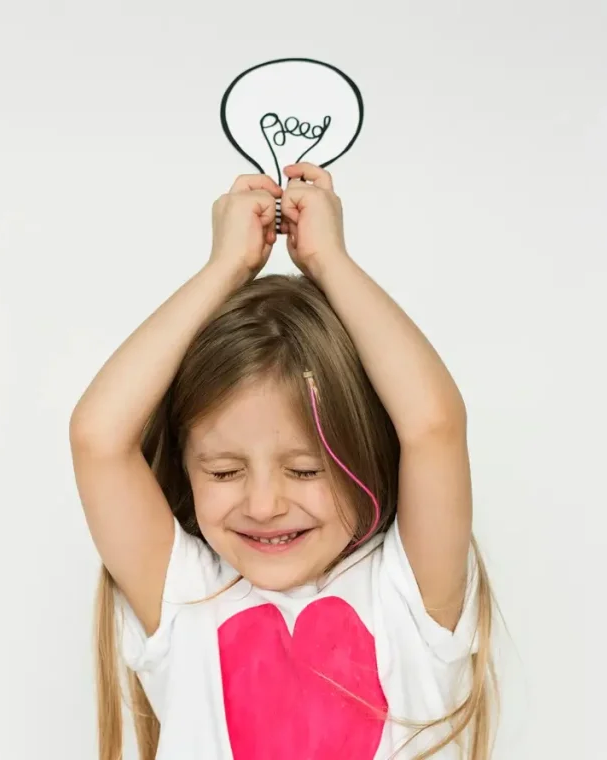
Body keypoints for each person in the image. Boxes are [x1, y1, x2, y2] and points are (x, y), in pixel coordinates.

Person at [69, 162, 497, 760]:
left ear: (366, 454)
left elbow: (433, 424)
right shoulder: (187, 604)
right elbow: (98, 437)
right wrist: (224, 270)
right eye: (223, 472)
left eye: (304, 470)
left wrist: (330, 262)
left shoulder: (409, 597)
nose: (264, 505)